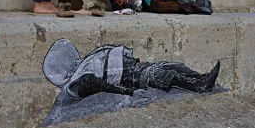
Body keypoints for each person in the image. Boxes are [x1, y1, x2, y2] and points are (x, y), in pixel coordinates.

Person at [43, 39, 221, 102]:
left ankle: (202, 77)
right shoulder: (79, 81)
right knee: (167, 76)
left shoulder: (85, 64)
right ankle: (200, 86)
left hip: (138, 67)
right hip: (134, 78)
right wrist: (129, 92)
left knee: (175, 66)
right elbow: (95, 83)